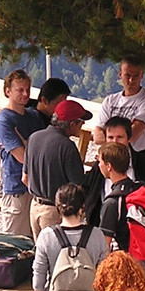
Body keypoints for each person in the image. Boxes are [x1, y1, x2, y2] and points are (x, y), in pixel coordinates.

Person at [32, 182, 109, 291]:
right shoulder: (96, 235)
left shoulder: (47, 236)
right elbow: (105, 277)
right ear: (82, 207)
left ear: (58, 207)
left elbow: (38, 278)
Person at [83, 115, 145, 225]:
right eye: (111, 137)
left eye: (120, 137)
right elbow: (85, 189)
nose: (115, 142)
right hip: (103, 225)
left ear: (129, 138)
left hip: (137, 228)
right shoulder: (100, 165)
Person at [24, 99, 91, 238]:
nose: (83, 125)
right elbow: (78, 186)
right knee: (59, 251)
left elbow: (25, 178)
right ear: (72, 124)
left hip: (34, 206)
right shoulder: (67, 147)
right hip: (55, 211)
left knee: (40, 250)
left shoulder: (34, 138)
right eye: (81, 122)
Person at [0, 69, 46, 236]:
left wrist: (25, 142)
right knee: (15, 242)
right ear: (8, 91)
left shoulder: (34, 116)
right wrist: (30, 146)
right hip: (16, 188)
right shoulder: (3, 121)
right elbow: (23, 157)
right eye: (20, 90)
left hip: (37, 188)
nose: (25, 94)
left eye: (28, 89)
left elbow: (45, 148)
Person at [93, 57, 145, 153]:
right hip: (110, 153)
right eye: (127, 75)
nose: (131, 80)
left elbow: (132, 134)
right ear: (120, 74)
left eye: (136, 76)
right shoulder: (110, 100)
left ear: (142, 75)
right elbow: (97, 135)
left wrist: (109, 137)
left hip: (137, 155)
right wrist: (116, 140)